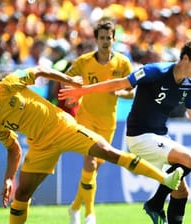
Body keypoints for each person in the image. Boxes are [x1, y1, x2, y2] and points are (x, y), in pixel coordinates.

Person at [0, 66, 183, 224]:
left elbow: (38, 70)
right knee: (22, 194)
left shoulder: (7, 86)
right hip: (40, 145)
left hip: (62, 127)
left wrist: (69, 81)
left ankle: (164, 179)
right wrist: (9, 177)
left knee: (106, 152)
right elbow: (13, 148)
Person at [59, 38, 191, 224]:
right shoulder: (154, 71)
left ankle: (159, 206)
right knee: (188, 159)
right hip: (139, 136)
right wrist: (82, 91)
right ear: (185, 58)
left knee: (181, 192)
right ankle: (155, 203)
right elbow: (118, 84)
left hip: (159, 137)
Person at [65, 18, 134, 224]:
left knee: (93, 170)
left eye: (109, 38)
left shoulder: (122, 63)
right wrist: (73, 87)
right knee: (90, 161)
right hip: (86, 118)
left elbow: (133, 91)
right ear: (96, 39)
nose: (105, 41)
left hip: (108, 122)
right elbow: (66, 79)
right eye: (102, 38)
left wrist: (119, 93)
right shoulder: (84, 61)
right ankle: (90, 215)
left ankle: (75, 207)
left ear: (114, 39)